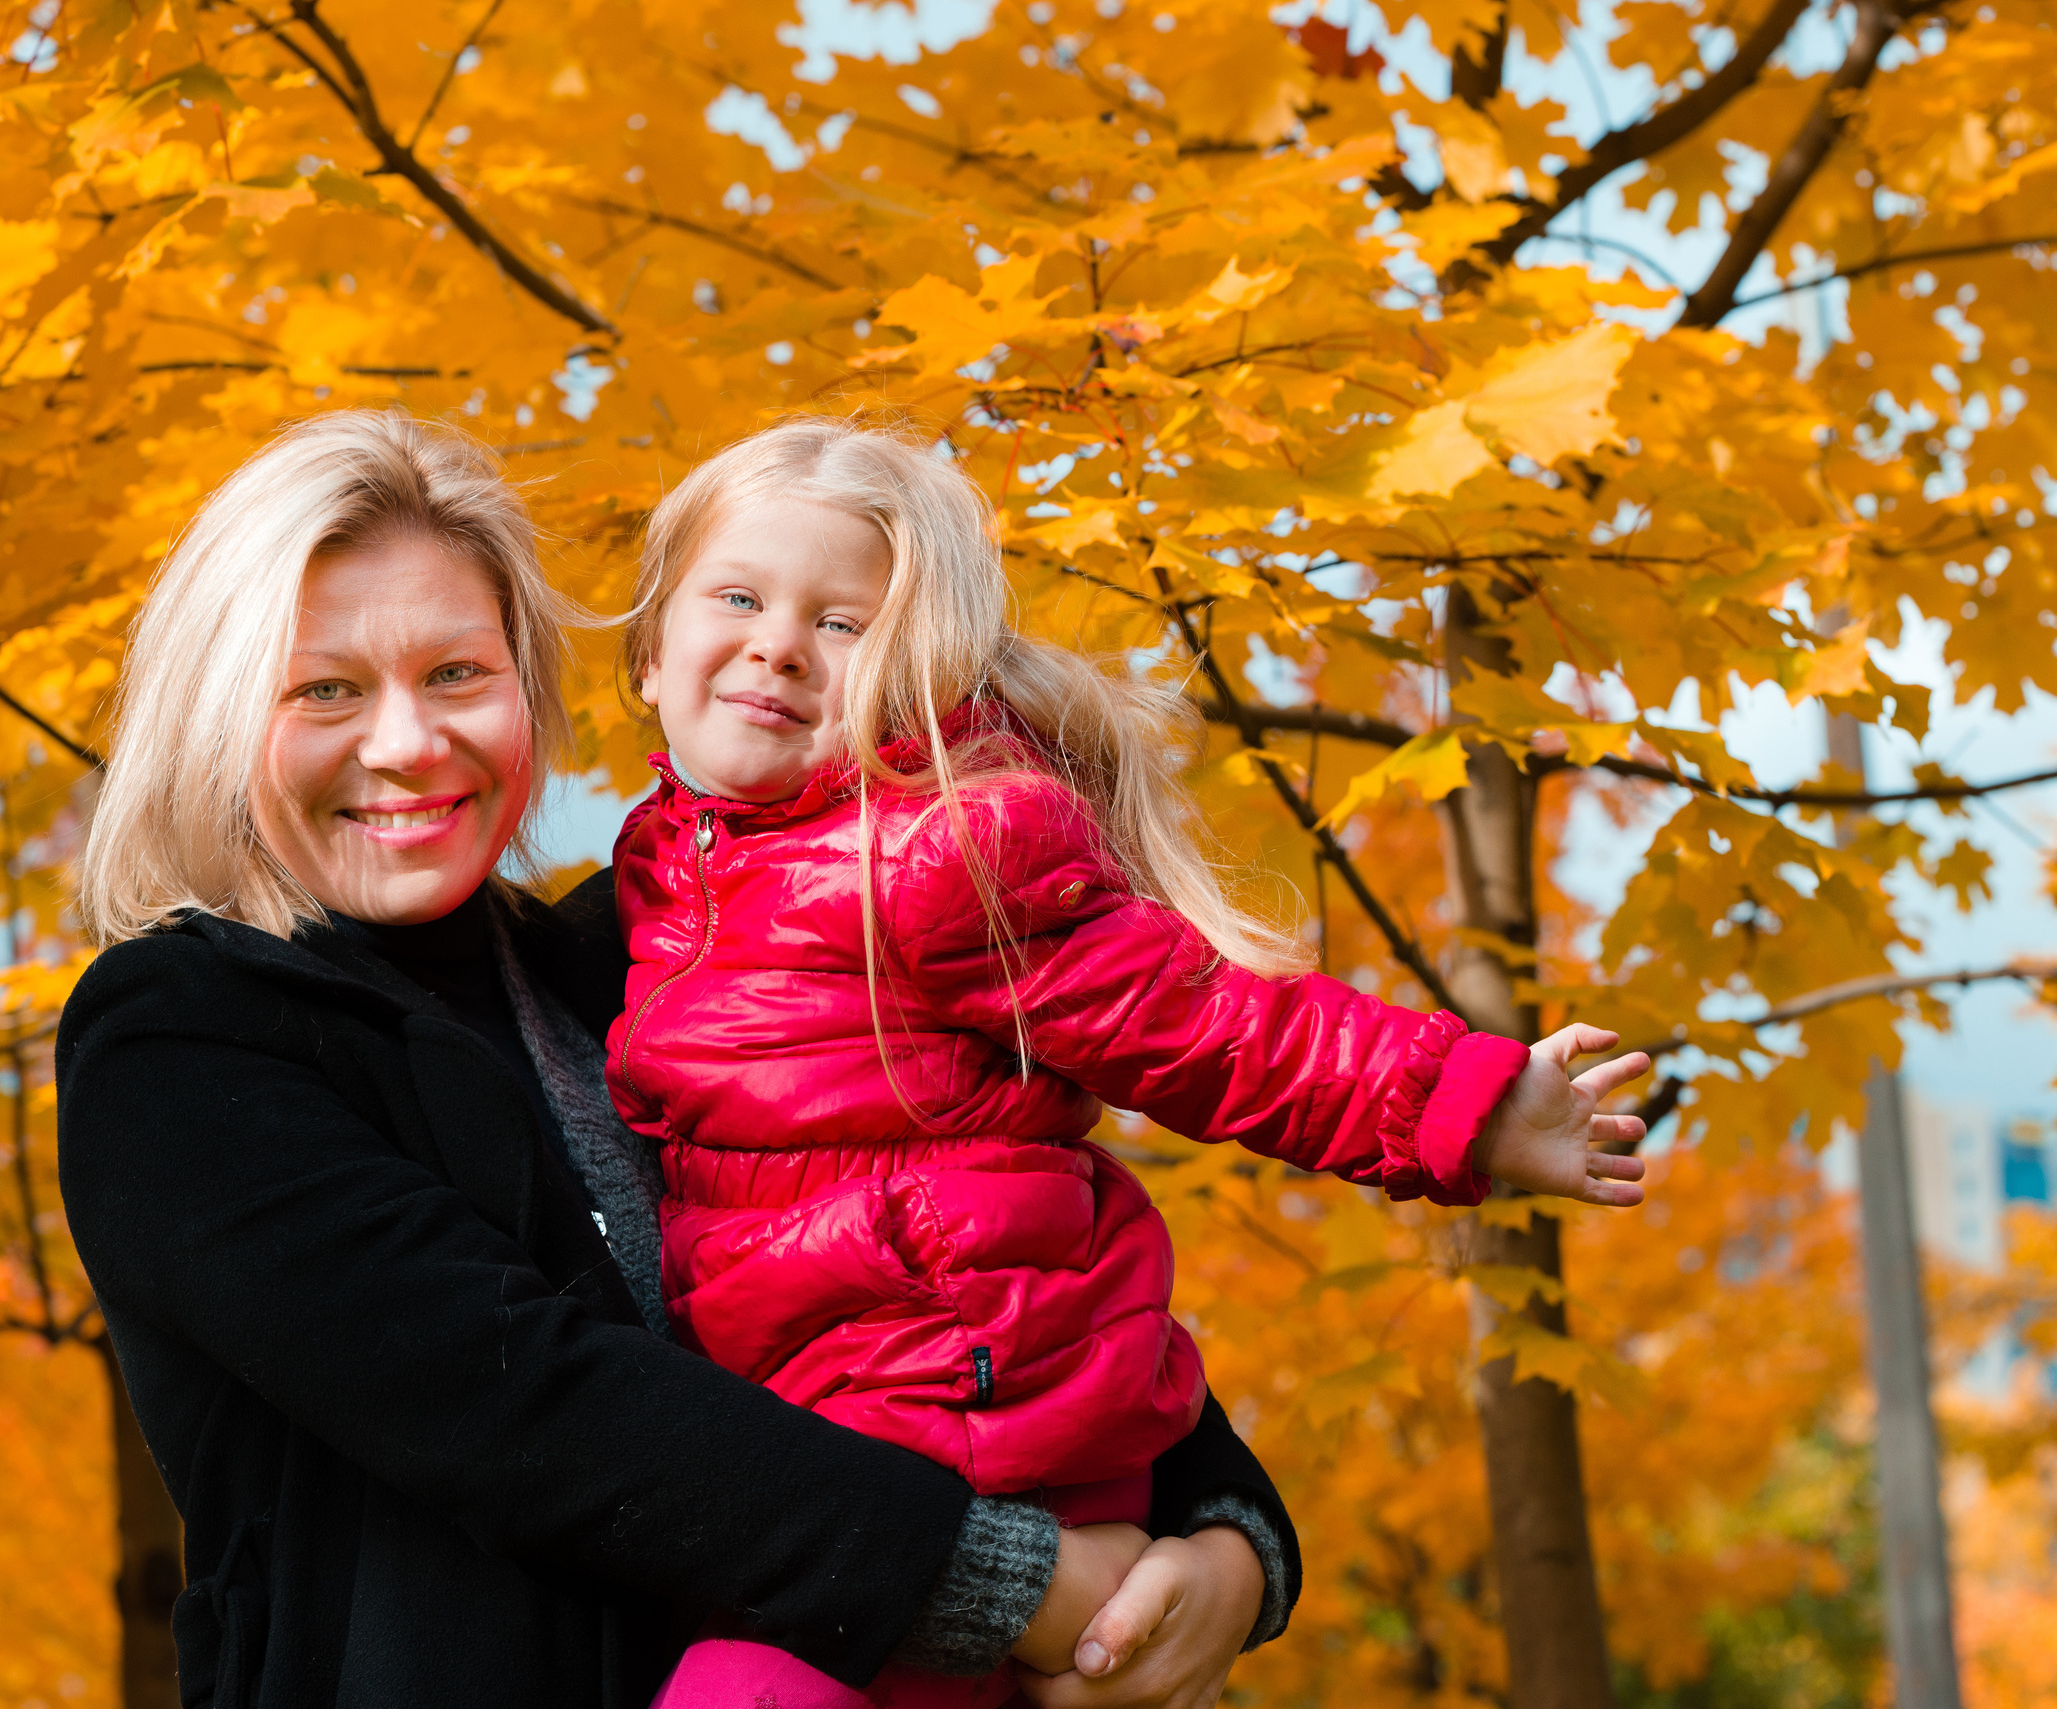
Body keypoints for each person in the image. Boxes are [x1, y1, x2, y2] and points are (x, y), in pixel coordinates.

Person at [55, 410, 1303, 1709]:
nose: (407, 743)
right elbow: (520, 1402)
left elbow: (984, 1241)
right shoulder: (175, 1037)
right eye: (326, 689)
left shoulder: (655, 961)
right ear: (216, 713)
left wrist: (1226, 1541)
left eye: (456, 674)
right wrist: (1021, 1588)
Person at [606, 418, 1656, 1709]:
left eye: (843, 624)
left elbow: (1207, 1025)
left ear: (921, 681)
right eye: (738, 596)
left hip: (966, 1388)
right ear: (651, 649)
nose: (778, 641)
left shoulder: (941, 857)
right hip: (831, 1391)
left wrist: (1466, 1103)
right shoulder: (665, 868)